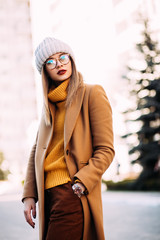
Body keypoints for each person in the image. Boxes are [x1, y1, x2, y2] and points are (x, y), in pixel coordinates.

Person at [22, 37, 115, 240]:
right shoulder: (50, 107)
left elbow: (106, 149)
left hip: (72, 191)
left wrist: (82, 181)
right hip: (48, 196)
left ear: (71, 59)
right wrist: (29, 195)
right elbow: (36, 150)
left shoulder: (92, 93)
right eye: (50, 61)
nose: (59, 64)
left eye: (63, 57)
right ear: (44, 71)